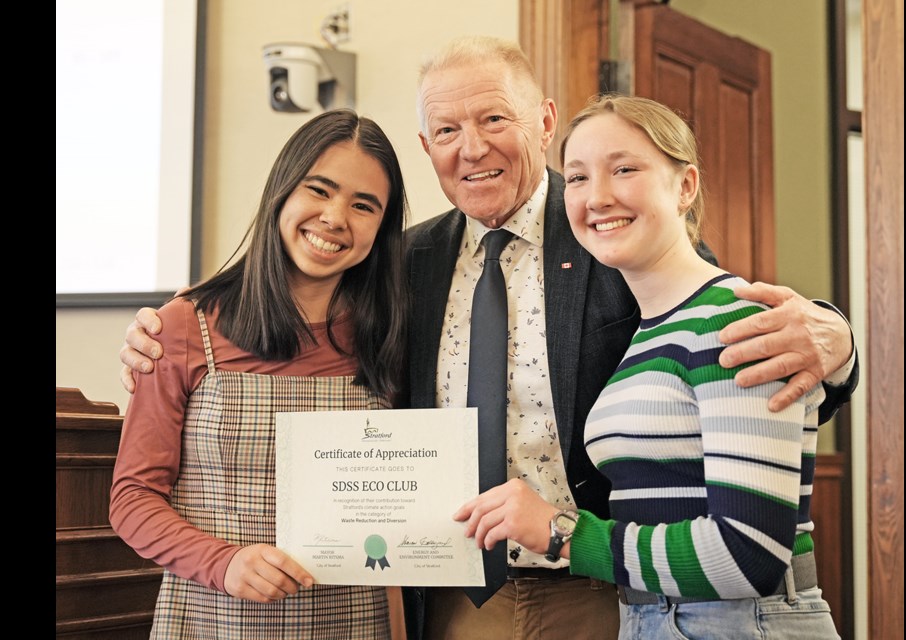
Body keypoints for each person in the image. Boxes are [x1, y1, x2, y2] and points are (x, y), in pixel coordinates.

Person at [119, 37, 856, 640]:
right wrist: (164, 333)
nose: (471, 148)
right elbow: (293, 319)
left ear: (542, 122)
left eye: (493, 120)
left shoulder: (606, 227)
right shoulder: (402, 265)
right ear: (427, 146)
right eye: (447, 131)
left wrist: (836, 343)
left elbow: (724, 338)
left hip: (605, 588)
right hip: (456, 593)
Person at [455, 94, 840, 639]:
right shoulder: (652, 330)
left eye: (625, 169)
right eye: (580, 177)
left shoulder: (731, 322)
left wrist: (564, 533)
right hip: (651, 618)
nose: (598, 197)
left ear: (685, 186)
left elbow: (749, 553)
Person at [109, 109, 409, 639]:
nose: (336, 217)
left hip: (355, 622)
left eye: (364, 205)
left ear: (381, 230)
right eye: (319, 189)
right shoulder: (183, 325)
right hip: (208, 618)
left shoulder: (391, 336)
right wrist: (223, 562)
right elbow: (132, 498)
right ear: (282, 192)